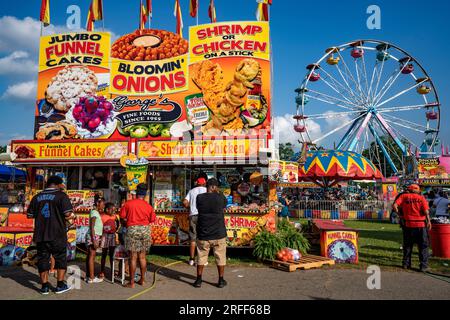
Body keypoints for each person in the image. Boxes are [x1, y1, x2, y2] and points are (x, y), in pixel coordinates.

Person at [26, 175, 75, 294]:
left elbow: (29, 215)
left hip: (41, 234)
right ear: (57, 184)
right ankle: (59, 285)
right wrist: (73, 217)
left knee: (43, 259)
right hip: (57, 233)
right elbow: (68, 214)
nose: (62, 186)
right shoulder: (61, 196)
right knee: (60, 258)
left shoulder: (36, 197)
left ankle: (44, 287)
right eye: (61, 184)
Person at [120, 183, 156, 288]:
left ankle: (131, 283)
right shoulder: (148, 206)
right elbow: (152, 219)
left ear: (136, 192)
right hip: (145, 230)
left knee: (133, 257)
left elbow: (122, 217)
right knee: (142, 257)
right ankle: (142, 280)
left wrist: (127, 222)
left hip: (132, 230)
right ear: (145, 195)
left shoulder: (128, 204)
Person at [194, 178, 227, 288]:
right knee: (220, 257)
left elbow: (199, 208)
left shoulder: (200, 197)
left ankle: (199, 280)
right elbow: (224, 204)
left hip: (203, 232)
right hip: (219, 233)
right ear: (214, 187)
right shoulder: (221, 197)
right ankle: (221, 280)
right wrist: (218, 192)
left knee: (201, 256)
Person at [393, 184, 431, 272]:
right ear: (416, 190)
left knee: (407, 245)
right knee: (423, 246)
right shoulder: (421, 198)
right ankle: (423, 266)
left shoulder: (403, 196)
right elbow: (426, 211)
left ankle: (406, 264)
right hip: (420, 225)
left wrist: (400, 215)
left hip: (408, 225)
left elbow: (395, 205)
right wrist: (428, 221)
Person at [183, 177, 207, 266]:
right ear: (204, 183)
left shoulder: (191, 191)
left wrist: (190, 207)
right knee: (202, 238)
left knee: (193, 238)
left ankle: (192, 259)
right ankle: (201, 260)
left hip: (193, 215)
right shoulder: (206, 190)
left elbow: (185, 202)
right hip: (203, 216)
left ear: (197, 183)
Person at [85, 197, 105, 283]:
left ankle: (89, 276)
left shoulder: (96, 212)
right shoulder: (94, 212)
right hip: (94, 236)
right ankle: (92, 278)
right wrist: (94, 240)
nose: (103, 205)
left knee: (90, 255)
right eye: (103, 204)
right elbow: (92, 227)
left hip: (95, 236)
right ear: (97, 203)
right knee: (92, 255)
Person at [99, 202, 117, 279]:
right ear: (107, 209)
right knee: (104, 254)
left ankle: (112, 270)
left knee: (112, 254)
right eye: (112, 210)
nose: (113, 211)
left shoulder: (114, 216)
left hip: (112, 236)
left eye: (114, 210)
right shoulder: (102, 217)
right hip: (105, 236)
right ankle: (102, 271)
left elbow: (117, 224)